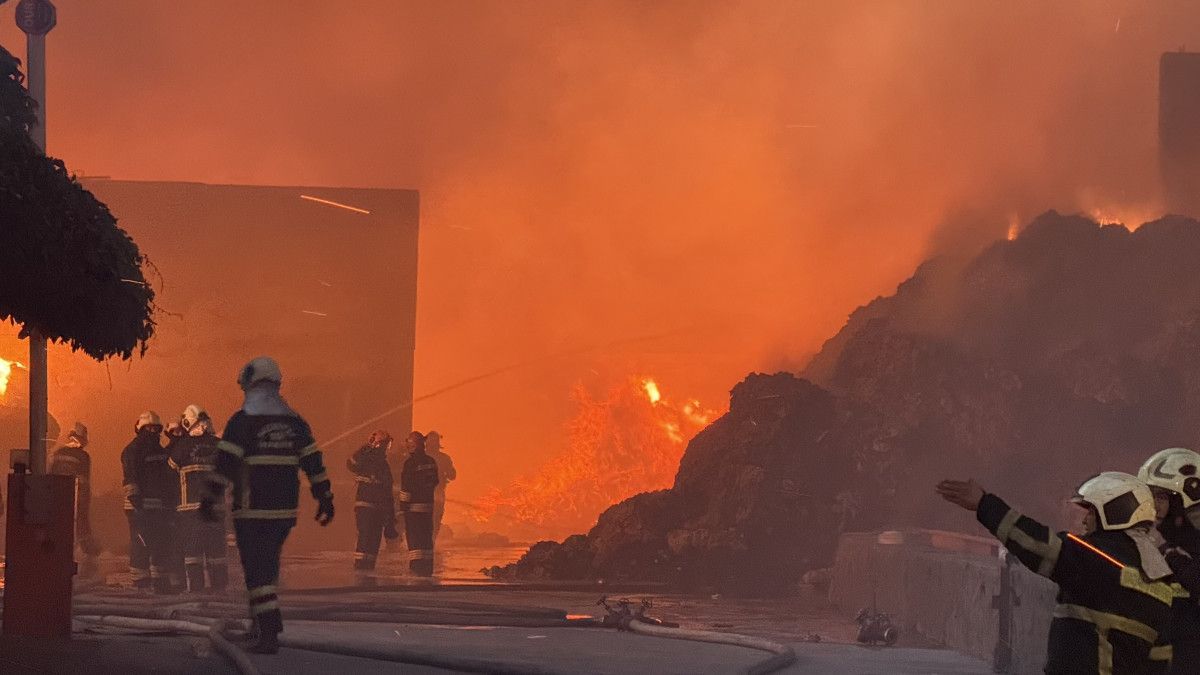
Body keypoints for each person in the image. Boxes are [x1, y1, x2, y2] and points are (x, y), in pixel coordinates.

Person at [937, 472, 1178, 674]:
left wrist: (983, 504)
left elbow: (1034, 543)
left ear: (1114, 512)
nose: (1085, 522)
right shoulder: (1161, 580)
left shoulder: (1097, 559)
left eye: (1091, 512)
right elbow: (1160, 661)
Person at [201, 356, 334, 654]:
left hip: (252, 509)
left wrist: (210, 498)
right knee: (267, 566)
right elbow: (314, 462)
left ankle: (269, 630)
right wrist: (325, 497)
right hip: (285, 510)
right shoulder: (295, 423)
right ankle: (260, 624)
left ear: (251, 383)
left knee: (257, 572)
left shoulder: (242, 422)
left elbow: (225, 464)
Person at [1138, 447, 1200, 672]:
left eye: (1162, 496)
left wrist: (1166, 550)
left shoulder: (1186, 545)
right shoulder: (1145, 541)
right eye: (1150, 495)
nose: (1154, 505)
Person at [169, 404, 228, 593]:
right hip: (215, 509)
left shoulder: (182, 446)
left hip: (191, 510)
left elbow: (169, 472)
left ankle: (196, 592)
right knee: (216, 553)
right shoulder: (218, 445)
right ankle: (220, 591)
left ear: (188, 422)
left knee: (193, 553)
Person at [121, 411, 178, 594]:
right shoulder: (133, 450)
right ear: (142, 428)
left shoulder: (160, 451)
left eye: (155, 429)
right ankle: (141, 583)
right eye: (150, 428)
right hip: (139, 508)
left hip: (157, 508)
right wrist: (138, 504)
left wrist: (169, 503)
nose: (153, 432)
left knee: (159, 543)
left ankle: (160, 583)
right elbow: (131, 478)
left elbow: (166, 480)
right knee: (141, 543)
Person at [49, 422, 100, 577]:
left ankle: (56, 560)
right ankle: (89, 562)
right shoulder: (83, 456)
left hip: (57, 499)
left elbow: (50, 475)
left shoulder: (58, 452)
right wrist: (84, 503)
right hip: (77, 500)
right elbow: (84, 482)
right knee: (82, 528)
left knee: (60, 529)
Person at [347, 430, 399, 573]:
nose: (387, 448)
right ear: (380, 444)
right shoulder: (370, 460)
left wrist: (390, 520)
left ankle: (364, 570)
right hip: (369, 507)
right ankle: (362, 570)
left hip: (372, 508)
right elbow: (351, 464)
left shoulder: (377, 462)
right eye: (387, 444)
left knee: (370, 539)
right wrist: (365, 448)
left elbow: (387, 493)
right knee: (367, 538)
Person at [398, 431, 439, 576]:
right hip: (428, 508)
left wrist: (402, 506)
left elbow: (406, 486)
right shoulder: (431, 461)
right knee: (426, 538)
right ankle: (427, 569)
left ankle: (416, 569)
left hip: (413, 509)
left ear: (412, 445)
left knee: (415, 540)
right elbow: (435, 482)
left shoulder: (410, 463)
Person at [425, 431, 456, 539]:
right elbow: (452, 475)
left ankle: (428, 540)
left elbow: (452, 475)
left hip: (426, 494)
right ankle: (430, 540)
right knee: (435, 517)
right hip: (434, 493)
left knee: (431, 517)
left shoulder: (419, 457)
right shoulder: (444, 458)